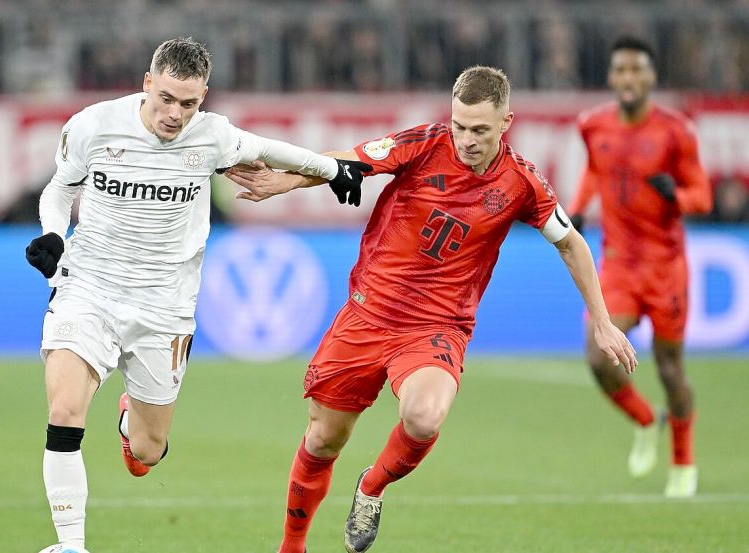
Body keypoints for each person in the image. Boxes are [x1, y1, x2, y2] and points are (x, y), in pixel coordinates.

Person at [225, 65, 638, 553]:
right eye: (460, 125)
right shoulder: (424, 143)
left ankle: (371, 488)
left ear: (507, 122)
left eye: (480, 129)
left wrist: (604, 323)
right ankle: (292, 545)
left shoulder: (523, 183)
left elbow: (571, 243)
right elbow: (347, 162)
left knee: (424, 416)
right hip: (368, 313)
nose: (466, 139)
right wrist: (286, 182)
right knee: (323, 440)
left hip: (437, 326)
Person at [24, 37, 370, 553]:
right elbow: (59, 189)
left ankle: (131, 421)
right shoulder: (93, 125)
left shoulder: (211, 137)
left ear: (203, 96)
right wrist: (54, 234)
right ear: (147, 83)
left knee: (148, 451)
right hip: (88, 289)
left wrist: (333, 169)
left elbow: (268, 149)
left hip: (164, 308)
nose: (174, 113)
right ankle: (71, 544)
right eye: (165, 97)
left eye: (188, 103)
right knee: (65, 408)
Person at [567, 36, 712, 498]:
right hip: (619, 266)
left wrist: (678, 196)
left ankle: (683, 464)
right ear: (612, 77)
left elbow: (703, 197)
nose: (629, 79)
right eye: (621, 71)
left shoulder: (676, 131)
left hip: (666, 268)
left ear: (651, 77)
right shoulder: (593, 126)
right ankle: (647, 419)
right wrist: (578, 205)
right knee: (597, 354)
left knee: (671, 368)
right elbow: (595, 167)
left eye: (637, 71)